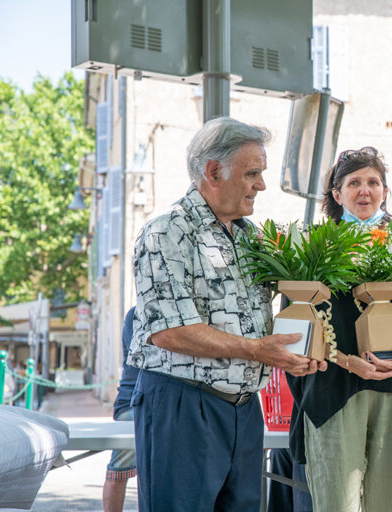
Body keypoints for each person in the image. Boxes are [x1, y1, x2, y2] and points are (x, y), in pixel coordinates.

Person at [127, 117, 325, 512]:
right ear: (214, 171)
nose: (261, 185)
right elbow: (170, 332)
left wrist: (303, 349)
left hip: (244, 410)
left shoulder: (250, 236)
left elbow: (279, 312)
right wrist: (259, 351)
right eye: (252, 173)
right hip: (183, 406)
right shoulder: (166, 232)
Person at [287, 146, 392, 512]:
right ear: (337, 194)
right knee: (337, 503)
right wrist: (346, 361)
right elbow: (296, 325)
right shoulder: (312, 247)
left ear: (385, 192)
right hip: (334, 388)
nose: (365, 190)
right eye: (354, 182)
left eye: (374, 182)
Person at [102, 307, 138, 512]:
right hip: (134, 401)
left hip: (143, 400)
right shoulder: (137, 314)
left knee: (156, 474)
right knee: (118, 471)